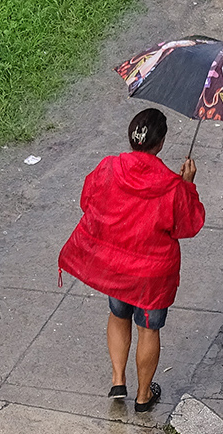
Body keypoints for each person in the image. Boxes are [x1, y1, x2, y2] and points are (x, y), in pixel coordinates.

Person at [57, 108, 205, 412]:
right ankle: (143, 396)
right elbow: (187, 226)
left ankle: (117, 378)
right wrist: (187, 184)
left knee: (118, 315)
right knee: (148, 330)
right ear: (161, 143)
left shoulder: (109, 167)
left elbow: (88, 201)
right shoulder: (173, 186)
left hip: (116, 269)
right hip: (152, 278)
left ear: (131, 137)